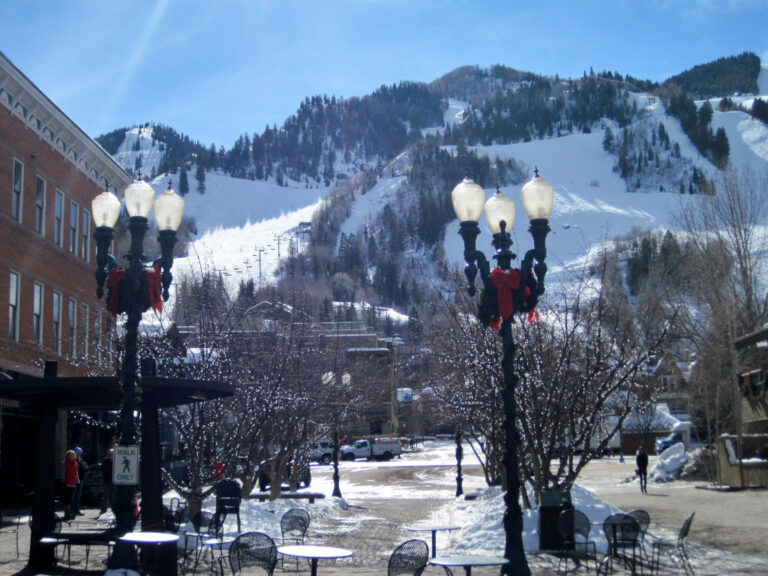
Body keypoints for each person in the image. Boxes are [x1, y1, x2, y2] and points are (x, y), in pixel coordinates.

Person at [71, 446, 88, 515]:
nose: (79, 454)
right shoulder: (73, 460)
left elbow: (84, 469)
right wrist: (81, 465)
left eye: (80, 453)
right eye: (78, 453)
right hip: (74, 479)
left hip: (80, 478)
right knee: (73, 495)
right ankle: (72, 510)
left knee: (78, 496)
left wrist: (85, 467)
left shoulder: (81, 460)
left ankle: (77, 509)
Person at [63, 449, 79, 521]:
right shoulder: (66, 463)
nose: (72, 456)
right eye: (70, 455)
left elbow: (76, 473)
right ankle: (67, 513)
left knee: (71, 499)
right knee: (67, 499)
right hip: (67, 483)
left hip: (73, 483)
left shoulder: (76, 463)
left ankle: (69, 512)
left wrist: (76, 481)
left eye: (73, 455)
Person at [101, 448, 114, 514]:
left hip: (114, 481)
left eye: (112, 454)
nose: (110, 455)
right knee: (105, 496)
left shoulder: (116, 461)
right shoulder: (105, 461)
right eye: (109, 453)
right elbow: (102, 469)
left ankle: (113, 510)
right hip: (106, 481)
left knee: (112, 497)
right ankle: (103, 510)